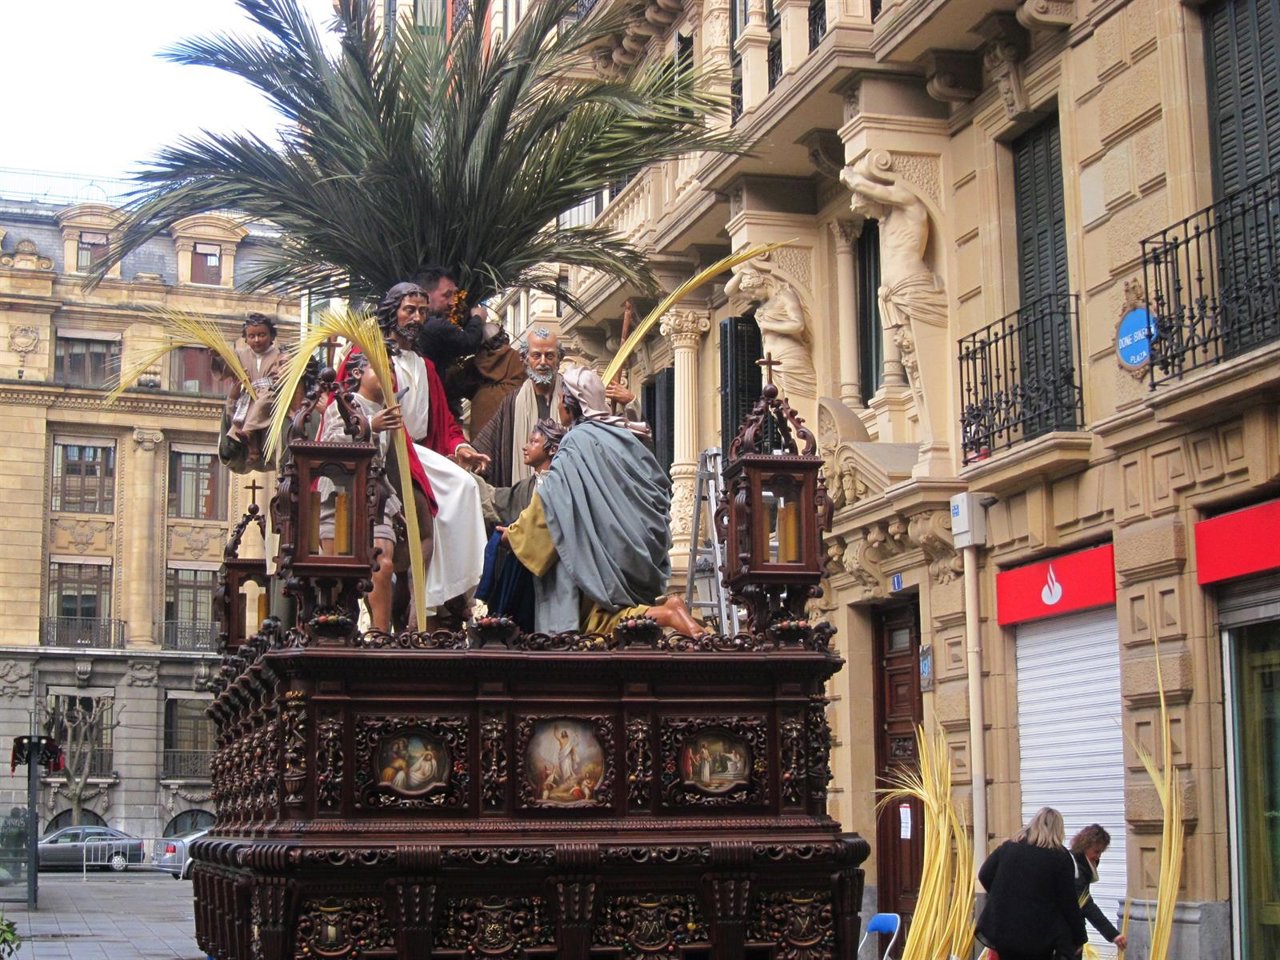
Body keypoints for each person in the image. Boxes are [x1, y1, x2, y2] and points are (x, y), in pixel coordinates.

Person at [503, 365, 702, 636]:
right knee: (626, 632)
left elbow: (552, 502)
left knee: (596, 623)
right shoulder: (622, 435)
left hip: (601, 554)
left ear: (568, 403)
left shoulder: (576, 442)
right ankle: (668, 611)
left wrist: (515, 534)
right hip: (634, 550)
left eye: (562, 397)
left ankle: (667, 612)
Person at [364, 282, 489, 624]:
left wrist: (461, 446)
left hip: (422, 452)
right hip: (389, 454)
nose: (417, 318)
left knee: (466, 488)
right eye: (410, 310)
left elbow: (445, 422)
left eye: (422, 311)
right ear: (392, 312)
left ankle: (451, 595)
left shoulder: (425, 365)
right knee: (453, 497)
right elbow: (349, 406)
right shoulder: (368, 356)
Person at [472, 326, 638, 487]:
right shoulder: (511, 403)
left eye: (549, 356)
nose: (543, 362)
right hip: (527, 500)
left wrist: (631, 402)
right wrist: (465, 454)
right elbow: (485, 447)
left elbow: (612, 435)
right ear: (525, 359)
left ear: (559, 360)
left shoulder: (576, 395)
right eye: (536, 355)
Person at [316, 353, 405, 632]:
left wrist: (396, 503)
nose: (388, 374)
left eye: (391, 369)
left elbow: (386, 463)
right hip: (341, 494)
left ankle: (380, 633)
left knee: (383, 563)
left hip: (376, 494)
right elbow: (331, 444)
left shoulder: (388, 410)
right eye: (379, 368)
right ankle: (334, 631)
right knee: (336, 570)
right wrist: (369, 425)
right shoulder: (343, 405)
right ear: (357, 374)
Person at [475, 419, 565, 632]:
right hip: (525, 577)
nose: (526, 446)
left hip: (556, 575)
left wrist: (516, 535)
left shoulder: (561, 485)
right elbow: (494, 499)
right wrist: (462, 476)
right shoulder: (526, 487)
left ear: (552, 449)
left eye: (534, 442)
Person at [976, 807, 1087, 960]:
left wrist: (1003, 896)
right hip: (1037, 935)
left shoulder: (1009, 847)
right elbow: (1068, 901)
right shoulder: (1059, 857)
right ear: (1058, 830)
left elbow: (984, 874)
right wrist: (1079, 936)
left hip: (1003, 930)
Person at [218, 312, 286, 470]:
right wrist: (217, 357)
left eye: (262, 335)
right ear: (246, 338)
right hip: (249, 393)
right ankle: (252, 450)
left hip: (270, 393)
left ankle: (247, 433)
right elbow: (225, 366)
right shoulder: (241, 355)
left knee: (261, 402)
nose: (257, 340)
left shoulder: (279, 355)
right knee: (243, 407)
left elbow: (283, 372)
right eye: (252, 336)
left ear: (271, 336)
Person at [450, 321, 526, 436]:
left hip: (481, 433)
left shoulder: (473, 365)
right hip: (512, 428)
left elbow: (455, 384)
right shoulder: (518, 360)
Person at [412, 266, 486, 380]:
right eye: (447, 295)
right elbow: (469, 342)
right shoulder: (434, 326)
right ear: (425, 295)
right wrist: (478, 317)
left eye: (454, 295)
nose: (452, 302)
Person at [1069, 824, 1127, 951]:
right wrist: (1113, 935)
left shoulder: (1078, 865)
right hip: (1067, 934)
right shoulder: (1077, 870)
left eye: (1101, 852)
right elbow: (1086, 906)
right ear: (1085, 846)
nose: (1098, 857)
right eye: (1096, 851)